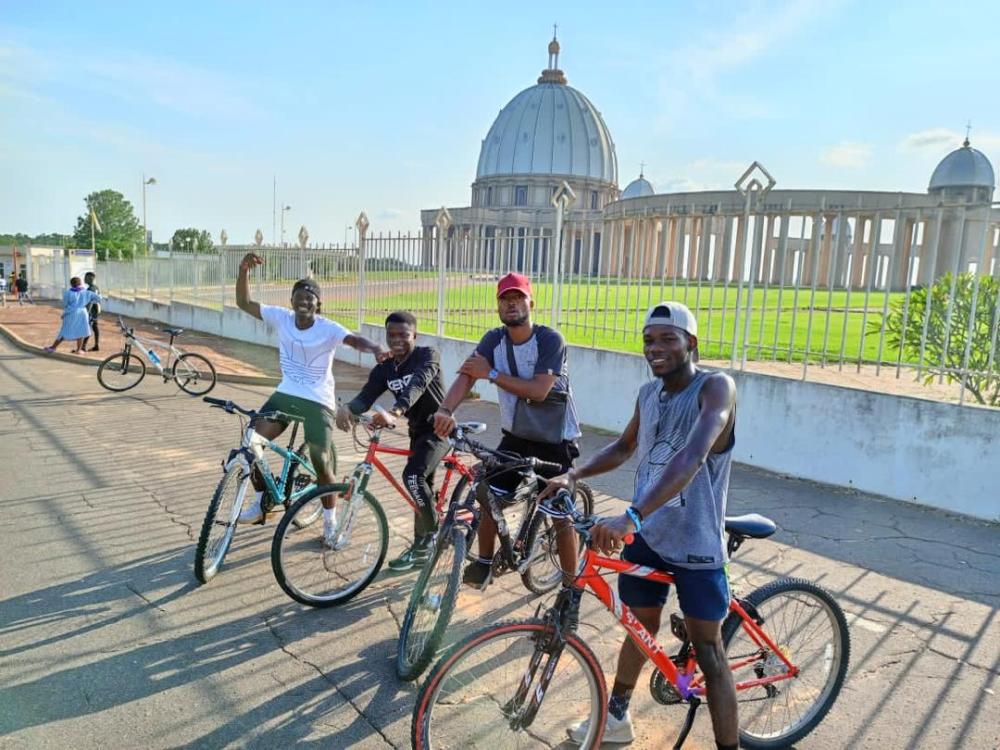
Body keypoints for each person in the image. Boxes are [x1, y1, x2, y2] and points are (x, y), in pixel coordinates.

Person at [542, 302, 739, 748]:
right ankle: (616, 717)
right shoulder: (649, 395)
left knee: (710, 653)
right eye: (649, 340)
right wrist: (573, 475)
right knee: (638, 626)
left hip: (694, 543)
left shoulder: (716, 388)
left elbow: (692, 456)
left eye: (668, 338)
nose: (655, 348)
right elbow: (623, 446)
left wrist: (631, 515)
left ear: (691, 343)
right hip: (648, 535)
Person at [433, 272, 582, 591]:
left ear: (531, 303)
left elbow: (539, 391)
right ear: (498, 306)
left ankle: (571, 590)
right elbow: (468, 376)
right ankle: (485, 562)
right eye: (505, 299)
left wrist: (492, 374)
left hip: (556, 440)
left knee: (560, 514)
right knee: (488, 493)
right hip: (516, 436)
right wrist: (445, 410)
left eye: (518, 298)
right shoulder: (493, 340)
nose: (511, 304)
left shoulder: (550, 340)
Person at [234, 252, 389, 544]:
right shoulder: (281, 317)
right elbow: (244, 302)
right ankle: (262, 500)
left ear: (318, 304)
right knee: (250, 442)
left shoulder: (327, 328)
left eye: (310, 298)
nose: (304, 301)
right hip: (286, 394)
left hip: (318, 401)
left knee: (320, 460)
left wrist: (376, 348)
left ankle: (330, 521)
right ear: (291, 300)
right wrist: (243, 270)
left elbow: (355, 340)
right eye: (299, 296)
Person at [335, 311, 448, 571]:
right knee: (421, 490)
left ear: (415, 335)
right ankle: (421, 547)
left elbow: (418, 384)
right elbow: (367, 395)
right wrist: (348, 408)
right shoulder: (386, 368)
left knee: (413, 477)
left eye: (403, 335)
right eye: (391, 335)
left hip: (440, 429)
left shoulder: (427, 355)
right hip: (417, 432)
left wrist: (395, 411)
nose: (396, 340)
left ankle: (433, 538)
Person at [44, 277, 102, 354]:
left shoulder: (68, 293)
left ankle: (53, 347)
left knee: (65, 330)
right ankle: (79, 350)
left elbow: (65, 304)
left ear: (71, 284)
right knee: (81, 331)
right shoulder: (86, 292)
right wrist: (90, 301)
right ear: (80, 283)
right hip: (82, 313)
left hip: (71, 312)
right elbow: (98, 298)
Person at [81, 272, 102, 352]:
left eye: (86, 277)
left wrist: (87, 312)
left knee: (88, 327)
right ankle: (96, 345)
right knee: (94, 327)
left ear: (91, 278)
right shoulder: (95, 287)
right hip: (95, 309)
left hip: (92, 310)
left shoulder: (90, 289)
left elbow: (90, 302)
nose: (84, 279)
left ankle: (83, 346)